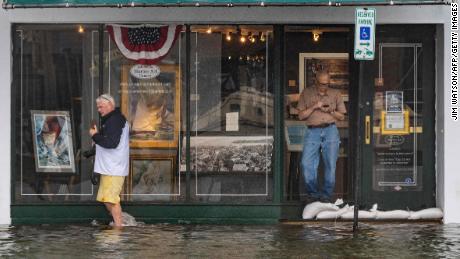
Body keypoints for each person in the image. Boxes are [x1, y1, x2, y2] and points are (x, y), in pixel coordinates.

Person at [297, 70, 346, 203]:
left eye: (327, 84)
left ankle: (326, 196)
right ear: (315, 81)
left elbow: (341, 116)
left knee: (330, 163)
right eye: (322, 84)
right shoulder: (307, 93)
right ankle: (313, 194)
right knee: (306, 163)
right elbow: (301, 116)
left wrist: (331, 110)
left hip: (330, 130)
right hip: (312, 131)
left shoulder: (335, 94)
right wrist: (314, 106)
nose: (324, 87)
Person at [89, 94, 129, 227]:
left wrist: (95, 136)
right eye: (98, 107)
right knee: (106, 199)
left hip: (114, 167)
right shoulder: (112, 120)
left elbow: (111, 143)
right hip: (109, 167)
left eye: (101, 107)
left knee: (111, 200)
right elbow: (109, 141)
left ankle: (119, 227)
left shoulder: (115, 120)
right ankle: (120, 221)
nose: (99, 110)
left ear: (110, 105)